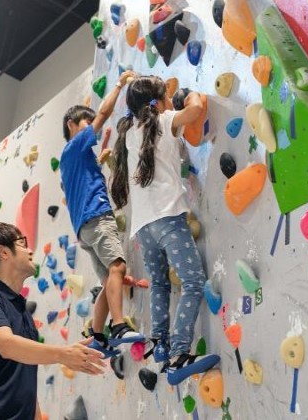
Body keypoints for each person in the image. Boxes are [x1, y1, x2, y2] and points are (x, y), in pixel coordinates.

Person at [110, 76, 220, 386]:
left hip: (143, 228)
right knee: (193, 282)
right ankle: (179, 355)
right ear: (158, 103)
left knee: (159, 283)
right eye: (167, 97)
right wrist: (192, 94)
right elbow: (195, 110)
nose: (171, 101)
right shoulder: (164, 119)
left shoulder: (128, 134)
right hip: (168, 219)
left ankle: (160, 345)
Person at [0, 222, 105, 419]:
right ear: (4, 252)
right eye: (22, 243)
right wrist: (63, 354)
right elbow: (6, 345)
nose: (30, 251)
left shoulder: (22, 310)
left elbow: (25, 378)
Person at [60, 70, 144, 358]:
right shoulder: (74, 146)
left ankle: (97, 336)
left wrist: (98, 160)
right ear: (72, 125)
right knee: (118, 267)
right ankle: (118, 326)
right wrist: (119, 84)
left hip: (84, 229)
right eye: (86, 123)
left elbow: (85, 180)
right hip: (97, 218)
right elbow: (104, 113)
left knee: (109, 280)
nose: (91, 127)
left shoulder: (72, 159)